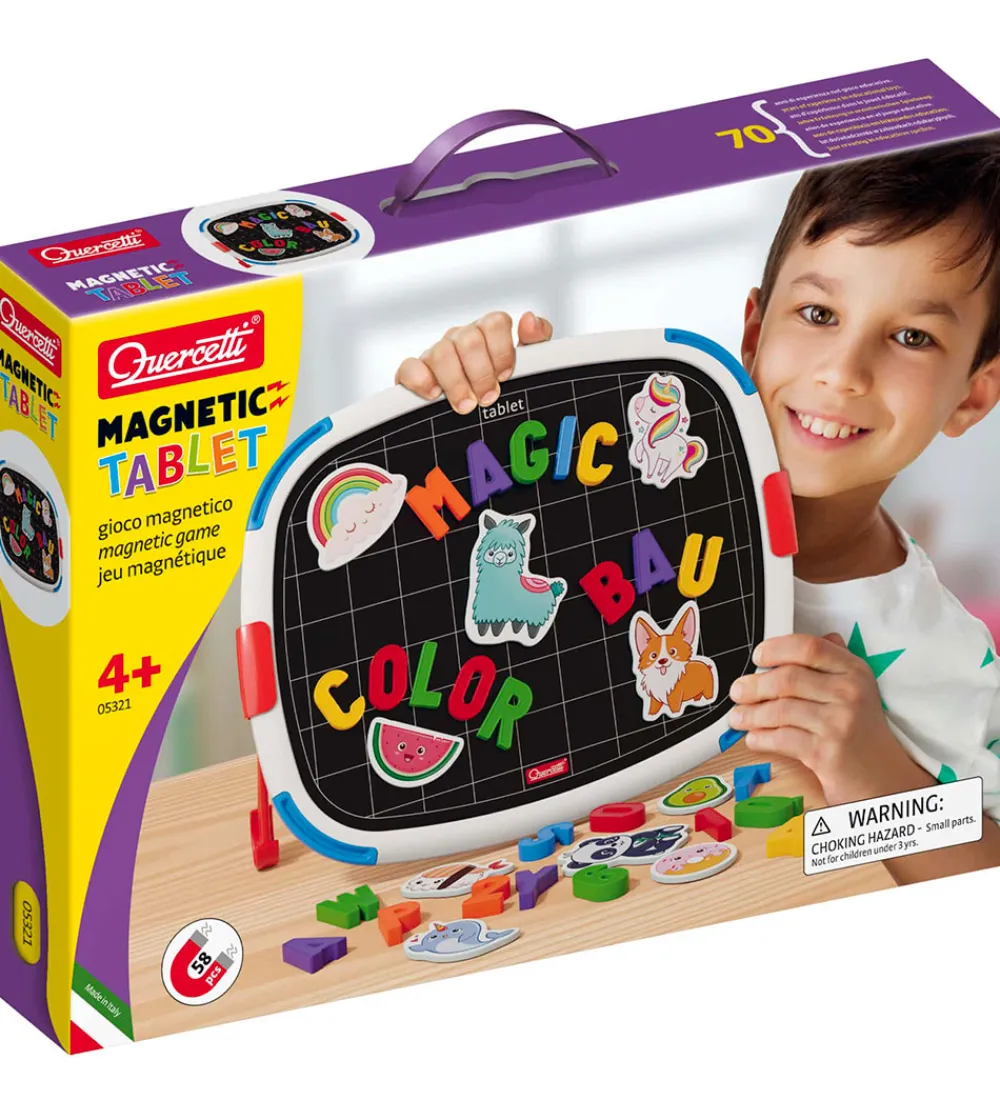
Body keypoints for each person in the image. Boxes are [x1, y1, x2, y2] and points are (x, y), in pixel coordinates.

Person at [394, 137, 1000, 884]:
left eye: (912, 337)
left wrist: (878, 777)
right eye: (818, 313)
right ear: (754, 334)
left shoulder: (946, 662)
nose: (843, 373)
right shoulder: (617, 474)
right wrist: (460, 398)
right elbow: (442, 575)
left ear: (973, 395)